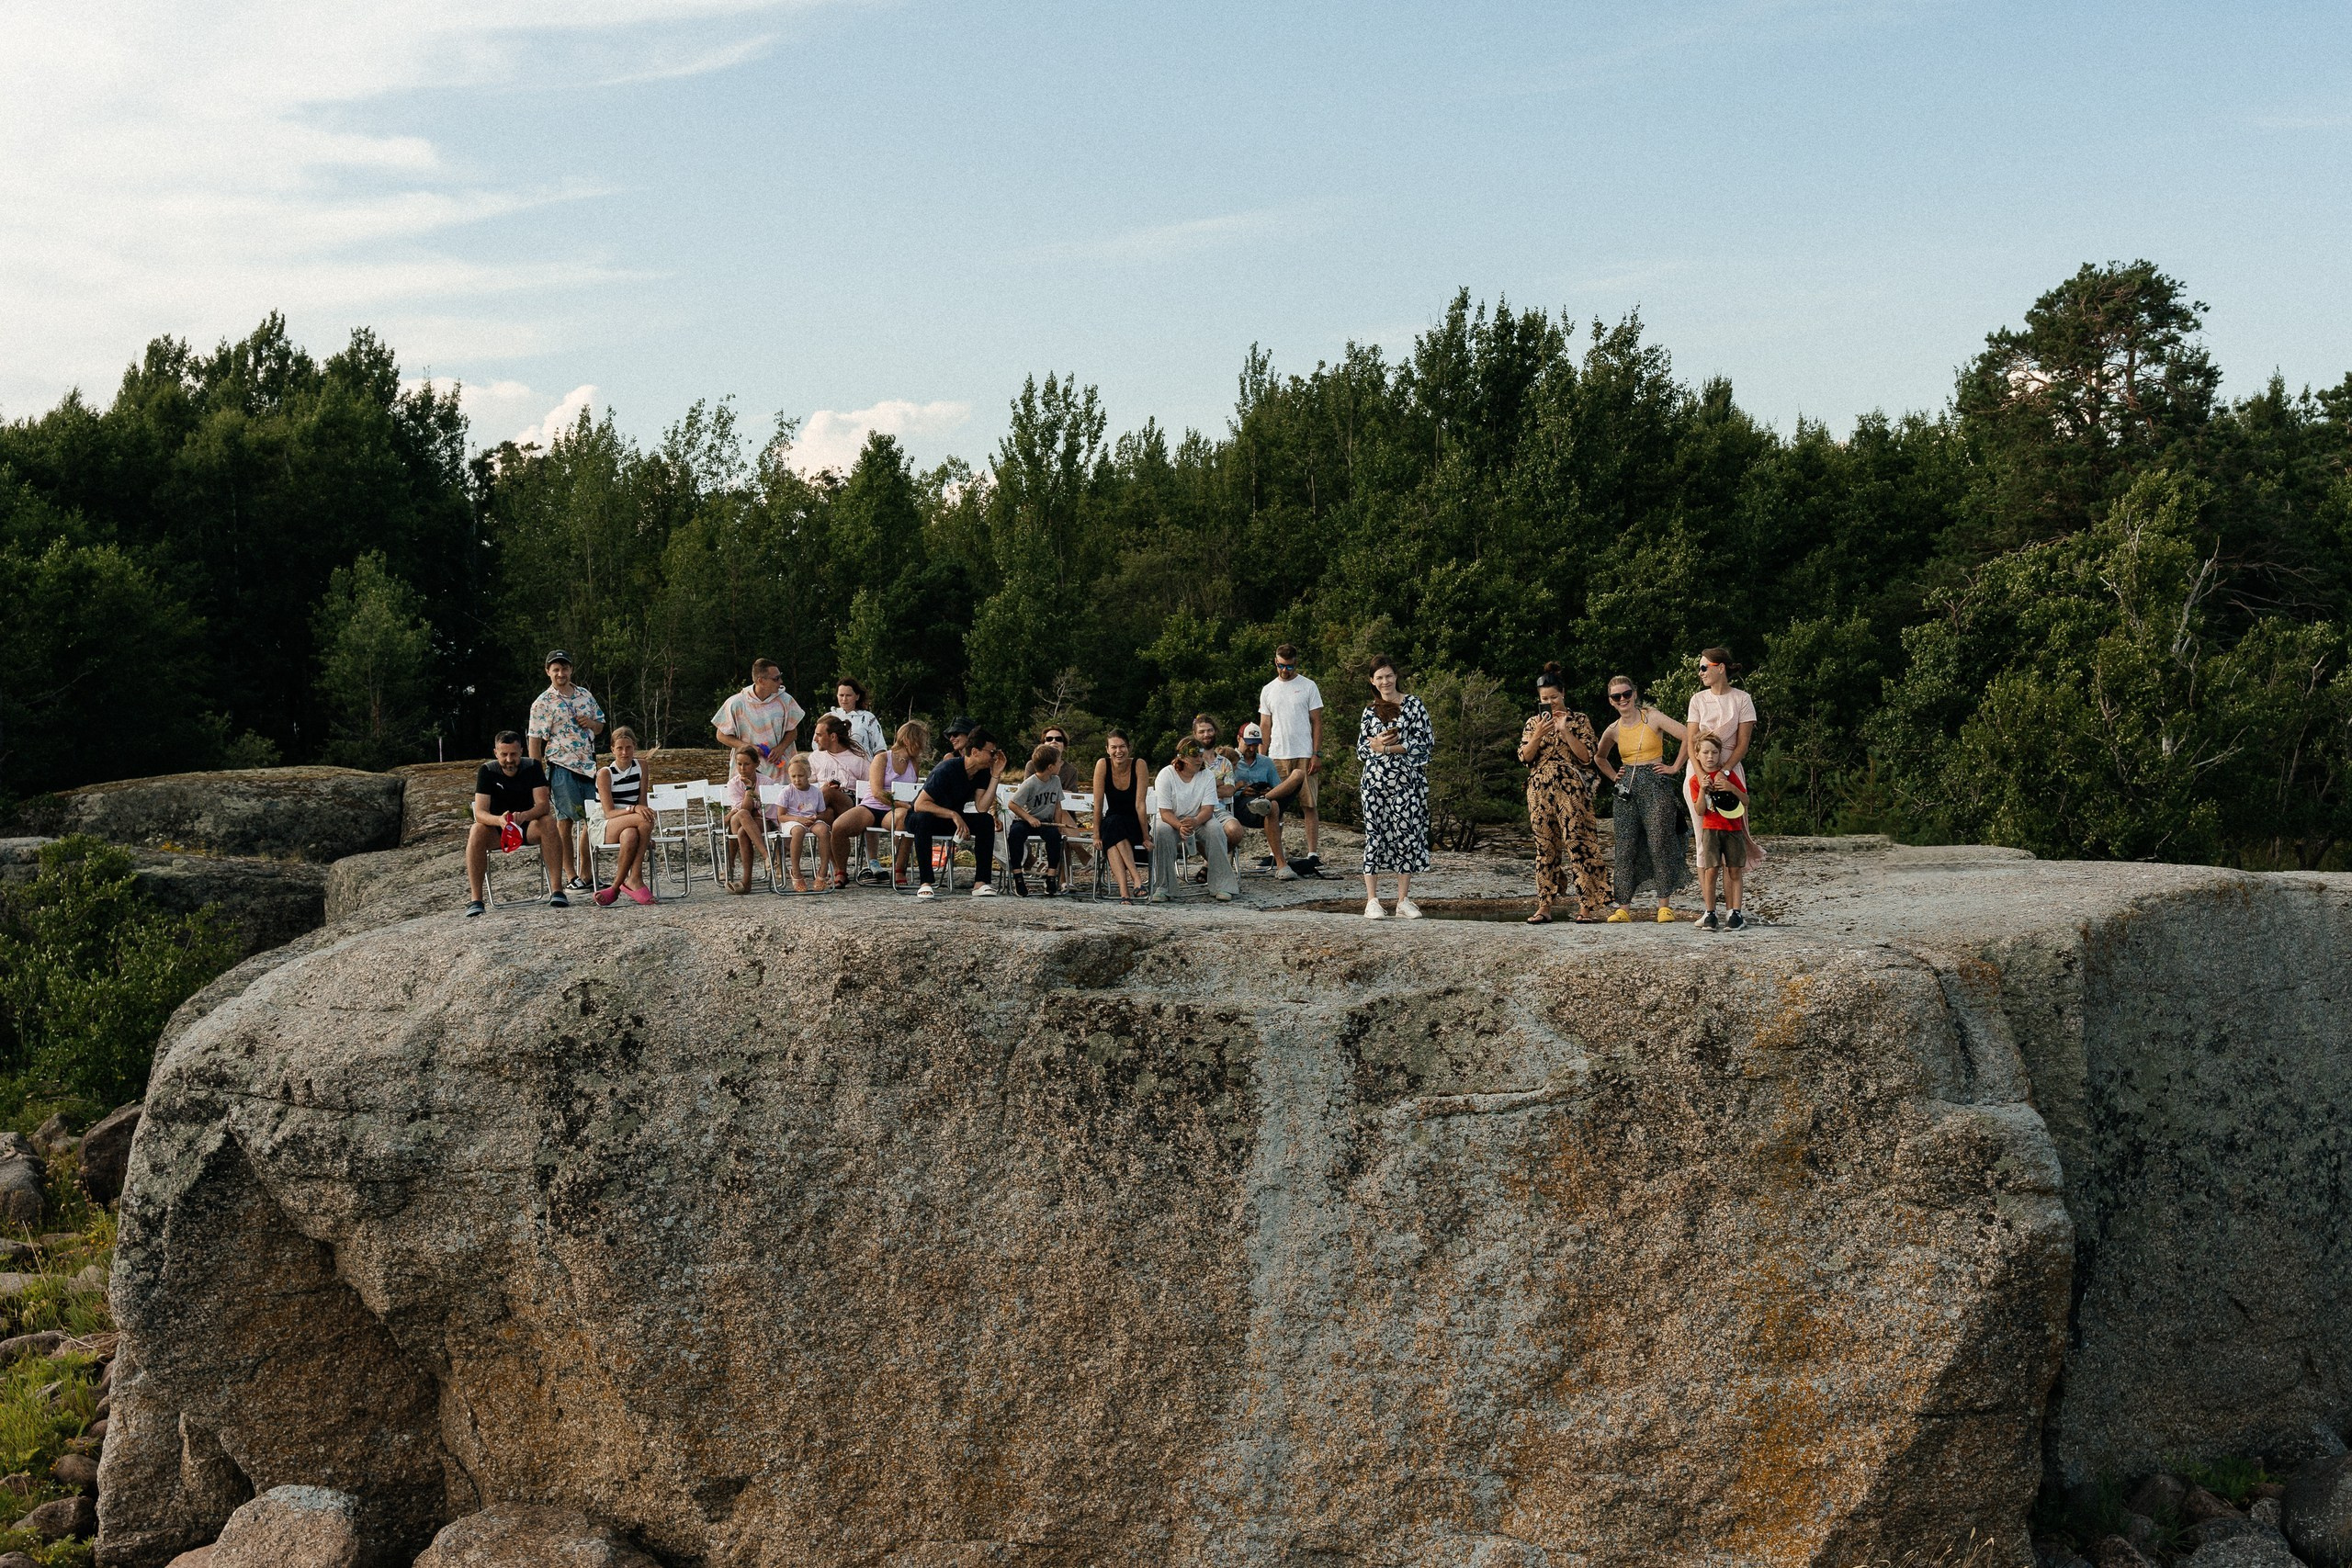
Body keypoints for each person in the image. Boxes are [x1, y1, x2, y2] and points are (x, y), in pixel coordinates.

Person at [1518, 663, 1611, 924]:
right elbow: (1525, 756)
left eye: (1554, 698)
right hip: (1539, 792)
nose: (1550, 703)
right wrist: (1538, 734)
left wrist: (1565, 731)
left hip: (1571, 791)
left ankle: (1586, 908)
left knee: (1579, 845)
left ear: (1563, 694)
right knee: (1544, 848)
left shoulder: (1579, 720)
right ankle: (1544, 906)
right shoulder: (1532, 723)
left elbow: (1586, 757)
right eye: (1544, 699)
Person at [1596, 674, 1690, 922]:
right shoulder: (1613, 729)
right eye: (1617, 696)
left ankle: (1664, 905)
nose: (1623, 699)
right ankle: (1623, 908)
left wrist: (1675, 766)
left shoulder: (1653, 717)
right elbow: (1599, 757)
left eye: (1627, 694)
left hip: (1656, 782)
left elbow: (1689, 735)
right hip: (1627, 788)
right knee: (1625, 847)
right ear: (1611, 701)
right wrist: (1615, 776)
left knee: (1660, 841)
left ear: (1635, 693)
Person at [1356, 655, 1432, 919]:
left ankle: (1402, 900)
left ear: (1396, 676)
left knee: (1406, 834)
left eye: (1388, 675)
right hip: (1375, 782)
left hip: (1407, 782)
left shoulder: (1414, 705)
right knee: (1374, 835)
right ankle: (1372, 900)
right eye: (1379, 677)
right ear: (1372, 681)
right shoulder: (1369, 710)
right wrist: (1375, 743)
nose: (1385, 681)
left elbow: (1425, 745)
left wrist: (1390, 747)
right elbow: (1361, 749)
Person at [464, 730, 567, 915]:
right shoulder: (487, 771)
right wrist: (499, 820)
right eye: (504, 754)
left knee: (549, 822)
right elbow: (479, 812)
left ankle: (557, 890)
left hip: (527, 826)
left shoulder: (533, 766)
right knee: (476, 829)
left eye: (513, 754)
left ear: (521, 751)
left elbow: (543, 805)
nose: (509, 759)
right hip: (497, 828)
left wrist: (525, 815)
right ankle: (476, 899)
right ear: (496, 753)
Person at [526, 650, 605, 891]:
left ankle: (587, 874)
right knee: (566, 820)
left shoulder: (585, 695)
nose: (561, 674)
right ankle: (570, 876)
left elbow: (600, 726)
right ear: (548, 671)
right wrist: (537, 776)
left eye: (565, 668)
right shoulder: (543, 702)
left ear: (571, 669)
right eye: (556, 669)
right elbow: (534, 741)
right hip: (560, 767)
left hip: (588, 767)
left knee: (594, 818)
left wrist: (591, 723)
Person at [1686, 647, 1765, 864]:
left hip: (1730, 769)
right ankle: (1709, 899)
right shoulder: (1697, 700)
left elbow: (1743, 745)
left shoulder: (1742, 699)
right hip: (1698, 771)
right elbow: (1691, 743)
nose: (1700, 673)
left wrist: (1724, 772)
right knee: (1704, 838)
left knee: (1733, 834)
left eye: (1704, 667)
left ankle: (1733, 897)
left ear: (1720, 668)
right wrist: (1703, 776)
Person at [910, 727, 1003, 900]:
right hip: (924, 816)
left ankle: (981, 882)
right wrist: (953, 815)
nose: (994, 757)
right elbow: (920, 804)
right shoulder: (947, 769)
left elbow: (982, 807)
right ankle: (926, 882)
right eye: (992, 752)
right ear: (975, 751)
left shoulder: (982, 772)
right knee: (923, 818)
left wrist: (996, 776)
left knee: (985, 820)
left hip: (951, 821)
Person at [831, 719, 927, 887]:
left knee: (906, 819)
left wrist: (903, 805)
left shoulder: (914, 764)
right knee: (839, 826)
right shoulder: (882, 758)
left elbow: (912, 790)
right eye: (920, 742)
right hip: (872, 806)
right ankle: (841, 871)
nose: (923, 747)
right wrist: (902, 804)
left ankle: (899, 869)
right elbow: (877, 792)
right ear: (908, 740)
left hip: (894, 811)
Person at [1257, 645, 1325, 864]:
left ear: (1296, 663)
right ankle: (1274, 854)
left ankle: (1312, 853)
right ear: (1275, 662)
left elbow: (1316, 722)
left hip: (1304, 752)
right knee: (1275, 805)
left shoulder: (1308, 686)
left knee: (1309, 804)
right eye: (1280, 665)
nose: (1285, 670)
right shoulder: (1268, 689)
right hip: (1277, 753)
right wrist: (1262, 756)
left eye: (1289, 665)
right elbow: (1265, 725)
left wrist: (1316, 753)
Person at [1151, 739, 1237, 903]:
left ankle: (1222, 885)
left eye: (1200, 755)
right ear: (1182, 758)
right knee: (1161, 831)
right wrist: (1179, 825)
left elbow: (1208, 809)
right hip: (1170, 819)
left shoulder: (1207, 776)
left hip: (1198, 818)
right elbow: (1164, 811)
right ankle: (1164, 887)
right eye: (1195, 757)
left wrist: (1196, 821)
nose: (1200, 760)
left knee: (1215, 828)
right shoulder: (1166, 775)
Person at [1686, 733, 1750, 931]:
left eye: (1714, 752)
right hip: (1711, 829)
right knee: (1711, 870)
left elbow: (1746, 801)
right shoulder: (1696, 781)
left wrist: (1732, 788)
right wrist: (1704, 790)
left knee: (1734, 869)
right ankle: (1710, 913)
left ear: (1720, 754)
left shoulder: (1729, 777)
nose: (1710, 756)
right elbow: (1699, 811)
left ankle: (1735, 914)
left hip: (1733, 829)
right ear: (1697, 755)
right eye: (1705, 752)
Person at [593, 726, 657, 907]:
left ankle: (614, 888)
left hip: (632, 821)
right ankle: (635, 877)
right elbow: (609, 812)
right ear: (612, 749)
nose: (624, 752)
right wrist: (634, 809)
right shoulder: (605, 773)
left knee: (631, 834)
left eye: (628, 747)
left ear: (634, 747)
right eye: (619, 748)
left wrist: (647, 835)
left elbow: (642, 801)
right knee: (645, 817)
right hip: (607, 823)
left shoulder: (642, 765)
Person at [714, 658, 805, 785]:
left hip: (778, 767)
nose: (780, 681)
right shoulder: (736, 703)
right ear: (761, 681)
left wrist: (780, 748)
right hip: (746, 767)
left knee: (780, 803)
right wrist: (747, 747)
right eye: (776, 678)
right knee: (746, 801)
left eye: (780, 677)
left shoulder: (785, 700)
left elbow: (793, 731)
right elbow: (721, 735)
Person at [804, 715, 868, 887]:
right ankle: (840, 871)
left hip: (851, 804)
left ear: (833, 736)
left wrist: (836, 789)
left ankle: (803, 818)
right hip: (824, 804)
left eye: (819, 734)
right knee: (827, 815)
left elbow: (869, 788)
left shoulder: (858, 758)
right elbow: (806, 784)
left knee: (827, 793)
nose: (815, 739)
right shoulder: (815, 758)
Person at [1229, 722, 1292, 878]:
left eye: (1255, 745)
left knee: (1295, 778)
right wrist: (1241, 791)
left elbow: (1278, 786)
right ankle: (1281, 863)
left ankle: (1281, 864)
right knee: (1273, 806)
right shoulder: (1228, 760)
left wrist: (1269, 791)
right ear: (1239, 739)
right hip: (1239, 806)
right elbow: (1221, 790)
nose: (1252, 749)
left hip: (1265, 804)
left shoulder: (1266, 762)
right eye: (1249, 744)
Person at [1093, 729, 1149, 903]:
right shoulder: (1102, 764)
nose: (1119, 751)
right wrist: (1095, 835)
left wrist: (1146, 837)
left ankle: (1125, 892)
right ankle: (1135, 883)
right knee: (1112, 825)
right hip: (1112, 821)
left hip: (1134, 823)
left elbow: (1140, 805)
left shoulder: (1139, 765)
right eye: (1114, 747)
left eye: (1122, 747)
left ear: (1129, 748)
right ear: (1107, 749)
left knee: (1112, 829)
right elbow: (1098, 803)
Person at [1005, 742, 1067, 897]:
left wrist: (1057, 824)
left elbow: (1058, 805)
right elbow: (1012, 804)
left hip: (1046, 822)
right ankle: (1018, 876)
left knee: (1054, 837)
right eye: (1059, 761)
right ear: (1050, 767)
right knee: (1015, 834)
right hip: (1025, 820)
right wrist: (1029, 818)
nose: (1061, 764)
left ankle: (1051, 877)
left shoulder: (1056, 781)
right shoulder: (1030, 783)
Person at [719, 747, 776, 894]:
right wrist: (749, 789)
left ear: (757, 764)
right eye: (739, 764)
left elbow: (767, 811)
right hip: (741, 819)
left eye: (747, 764)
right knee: (744, 814)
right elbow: (743, 809)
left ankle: (747, 882)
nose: (742, 768)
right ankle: (766, 856)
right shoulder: (734, 783)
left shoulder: (766, 782)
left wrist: (742, 810)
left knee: (743, 832)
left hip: (760, 821)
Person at [774, 754, 831, 892]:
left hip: (811, 820)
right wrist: (799, 819)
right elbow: (781, 816)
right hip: (792, 820)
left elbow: (822, 812)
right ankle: (796, 871)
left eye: (801, 776)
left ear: (809, 774)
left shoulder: (816, 792)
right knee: (798, 831)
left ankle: (823, 870)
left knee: (824, 830)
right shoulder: (787, 791)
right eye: (793, 777)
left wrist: (815, 817)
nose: (797, 780)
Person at [828, 678, 888, 758]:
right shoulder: (829, 717)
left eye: (848, 695)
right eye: (841, 695)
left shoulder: (868, 718)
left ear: (857, 697)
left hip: (863, 767)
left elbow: (879, 748)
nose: (844, 699)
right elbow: (817, 744)